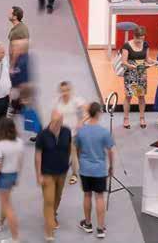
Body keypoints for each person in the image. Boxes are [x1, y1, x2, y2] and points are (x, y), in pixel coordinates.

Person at [75, 101, 115, 238]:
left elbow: (77, 149)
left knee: (87, 195)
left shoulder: (81, 131)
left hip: (85, 169)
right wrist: (111, 166)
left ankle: (87, 224)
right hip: (99, 170)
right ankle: (100, 228)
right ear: (99, 113)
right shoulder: (104, 132)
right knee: (99, 197)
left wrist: (81, 162)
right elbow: (110, 151)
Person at [35, 109, 72, 243]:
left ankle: (52, 216)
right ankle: (49, 232)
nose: (57, 124)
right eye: (55, 121)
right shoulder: (42, 135)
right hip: (47, 173)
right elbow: (38, 156)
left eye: (59, 121)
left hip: (62, 172)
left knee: (58, 197)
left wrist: (69, 164)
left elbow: (69, 147)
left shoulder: (66, 131)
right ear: (51, 120)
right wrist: (38, 174)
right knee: (49, 201)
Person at [0, 117, 23, 243]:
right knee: (6, 200)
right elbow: (20, 161)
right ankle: (1, 221)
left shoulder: (0, 145)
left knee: (8, 206)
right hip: (13, 174)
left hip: (4, 177)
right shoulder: (19, 142)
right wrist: (17, 176)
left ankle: (15, 238)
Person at [52, 81, 87, 185]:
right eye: (63, 91)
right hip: (62, 132)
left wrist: (81, 121)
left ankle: (74, 174)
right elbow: (54, 117)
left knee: (73, 152)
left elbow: (88, 110)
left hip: (74, 132)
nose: (65, 93)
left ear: (70, 90)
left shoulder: (76, 100)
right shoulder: (57, 102)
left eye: (67, 90)